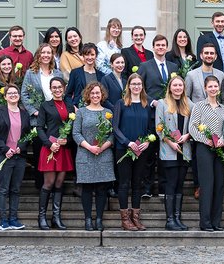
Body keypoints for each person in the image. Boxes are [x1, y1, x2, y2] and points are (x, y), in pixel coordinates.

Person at [73, 82, 116, 231]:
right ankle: (87, 219)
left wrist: (103, 146)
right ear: (88, 95)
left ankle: (98, 219)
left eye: (98, 93)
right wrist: (89, 147)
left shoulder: (108, 112)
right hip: (85, 154)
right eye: (92, 93)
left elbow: (112, 134)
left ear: (102, 94)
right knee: (87, 189)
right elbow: (76, 133)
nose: (95, 95)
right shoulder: (81, 112)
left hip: (104, 155)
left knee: (102, 189)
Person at [113, 73, 153, 231]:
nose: (136, 86)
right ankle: (125, 219)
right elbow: (115, 127)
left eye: (139, 84)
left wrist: (148, 141)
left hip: (141, 151)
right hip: (124, 149)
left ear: (142, 86)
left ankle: (135, 218)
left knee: (137, 184)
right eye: (133, 83)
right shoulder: (121, 103)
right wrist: (127, 142)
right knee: (124, 183)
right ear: (128, 86)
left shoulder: (146, 104)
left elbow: (151, 128)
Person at [188, 75, 224, 231]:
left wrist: (223, 139)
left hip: (219, 148)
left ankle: (216, 221)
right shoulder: (199, 106)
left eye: (215, 86)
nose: (213, 89)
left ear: (218, 88)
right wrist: (206, 140)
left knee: (219, 184)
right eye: (210, 86)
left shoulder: (223, 108)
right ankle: (205, 222)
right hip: (204, 148)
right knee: (207, 184)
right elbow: (193, 127)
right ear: (205, 88)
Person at [0, 84, 30, 230]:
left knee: (16, 189)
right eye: (10, 93)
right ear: (5, 96)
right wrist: (5, 148)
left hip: (19, 156)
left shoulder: (24, 113)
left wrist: (21, 147)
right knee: (3, 189)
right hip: (3, 155)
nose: (13, 95)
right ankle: (3, 220)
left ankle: (13, 219)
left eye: (15, 92)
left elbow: (27, 135)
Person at [155, 75, 192, 231]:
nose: (178, 88)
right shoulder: (162, 104)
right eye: (175, 85)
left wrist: (188, 135)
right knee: (170, 184)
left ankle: (177, 218)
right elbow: (159, 128)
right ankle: (169, 220)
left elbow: (195, 125)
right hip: (169, 151)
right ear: (170, 87)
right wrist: (171, 142)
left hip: (184, 150)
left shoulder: (189, 104)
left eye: (180, 85)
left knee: (179, 185)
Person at [37, 77, 74, 230]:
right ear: (50, 89)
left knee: (59, 183)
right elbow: (39, 128)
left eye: (60, 87)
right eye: (54, 87)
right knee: (49, 182)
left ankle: (56, 217)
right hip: (50, 148)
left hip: (63, 149)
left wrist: (69, 140)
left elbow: (73, 129)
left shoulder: (70, 106)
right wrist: (49, 144)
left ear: (64, 88)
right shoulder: (45, 106)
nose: (57, 90)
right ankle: (42, 217)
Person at [21, 44, 63, 119]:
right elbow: (24, 94)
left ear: (52, 55)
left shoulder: (58, 74)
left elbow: (62, 94)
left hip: (56, 116)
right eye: (43, 52)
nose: (46, 55)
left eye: (48, 53)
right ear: (38, 55)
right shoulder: (30, 73)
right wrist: (33, 111)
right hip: (38, 116)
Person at [139, 34, 178, 102]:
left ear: (167, 48)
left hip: (171, 106)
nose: (160, 47)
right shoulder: (145, 66)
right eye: (158, 45)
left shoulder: (174, 67)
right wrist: (152, 102)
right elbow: (139, 88)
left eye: (163, 45)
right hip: (151, 108)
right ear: (153, 48)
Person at [67, 43, 101, 108]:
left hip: (96, 111)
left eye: (92, 54)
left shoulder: (101, 75)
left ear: (96, 56)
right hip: (78, 110)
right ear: (83, 56)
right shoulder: (75, 73)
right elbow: (68, 95)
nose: (90, 57)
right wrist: (73, 107)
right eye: (87, 55)